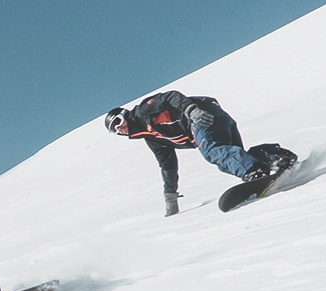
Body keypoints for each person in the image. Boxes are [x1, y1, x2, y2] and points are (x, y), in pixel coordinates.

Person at [105, 90, 297, 215]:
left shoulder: (142, 112)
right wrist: (170, 197)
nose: (118, 128)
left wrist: (190, 109)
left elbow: (169, 97)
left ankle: (255, 171)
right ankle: (277, 157)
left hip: (201, 115)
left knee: (211, 150)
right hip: (214, 119)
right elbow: (167, 166)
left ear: (125, 115)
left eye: (118, 122)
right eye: (113, 129)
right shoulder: (152, 138)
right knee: (229, 158)